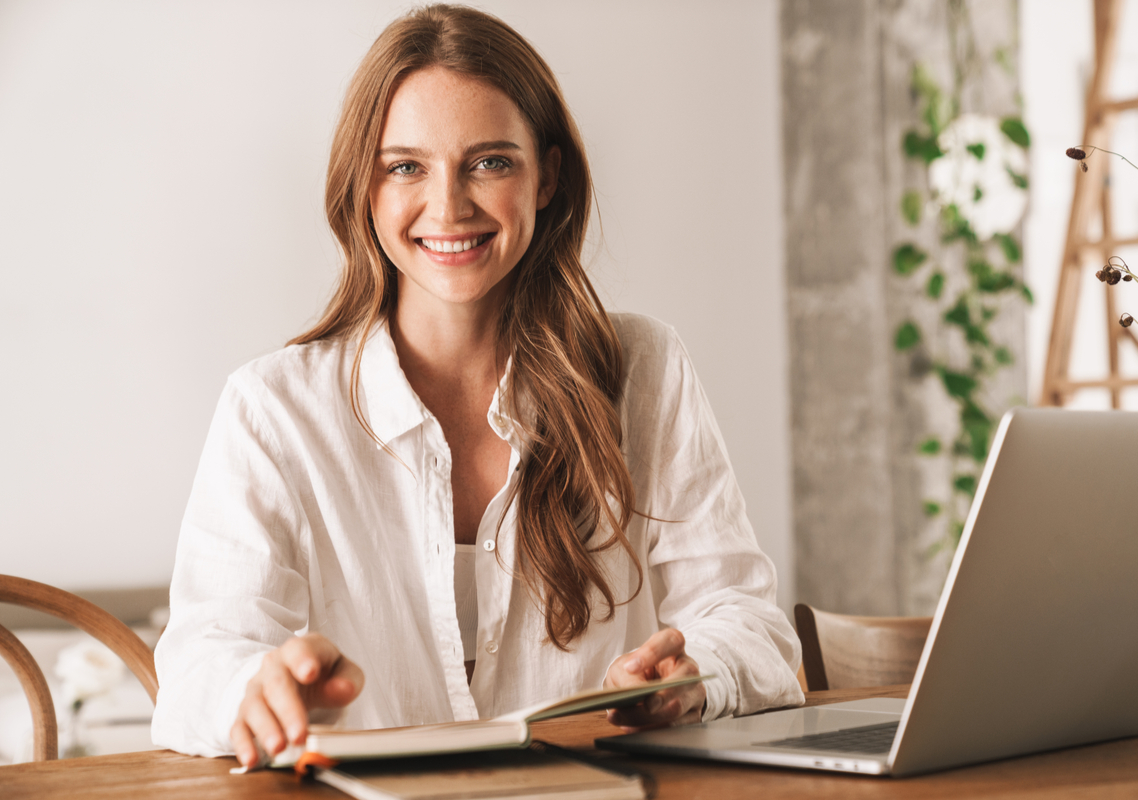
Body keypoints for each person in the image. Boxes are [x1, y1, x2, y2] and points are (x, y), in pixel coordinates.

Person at [150, 4, 803, 768]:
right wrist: (251, 691)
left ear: (548, 176)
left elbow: (748, 622)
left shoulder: (644, 369)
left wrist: (696, 675)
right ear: (365, 186)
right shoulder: (274, 407)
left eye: (490, 162)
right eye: (406, 166)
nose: (449, 205)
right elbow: (200, 662)